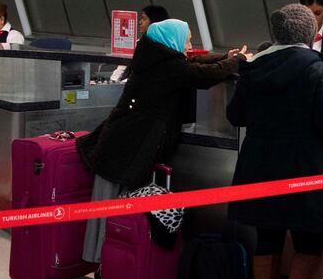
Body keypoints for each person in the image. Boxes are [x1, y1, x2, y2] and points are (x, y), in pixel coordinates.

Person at [227, 4, 323, 279]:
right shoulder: (316, 67)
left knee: (267, 238)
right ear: (309, 34)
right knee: (309, 240)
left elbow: (235, 115)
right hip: (301, 163)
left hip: (258, 161)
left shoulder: (254, 66)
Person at [79, 19, 247, 262]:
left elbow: (192, 62)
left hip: (124, 141)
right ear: (172, 41)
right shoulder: (168, 66)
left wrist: (225, 56)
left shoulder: (156, 58)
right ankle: (105, 261)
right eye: (187, 40)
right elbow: (201, 74)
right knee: (110, 207)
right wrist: (235, 61)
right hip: (123, 146)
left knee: (117, 207)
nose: (190, 45)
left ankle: (110, 262)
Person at [110, 5, 170, 82]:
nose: (140, 22)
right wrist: (114, 80)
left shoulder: (166, 47)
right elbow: (122, 67)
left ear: (155, 21)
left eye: (144, 19)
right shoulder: (137, 44)